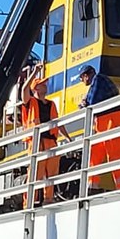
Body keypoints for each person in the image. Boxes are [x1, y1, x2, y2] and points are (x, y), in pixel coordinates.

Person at [20, 65, 71, 207]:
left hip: (51, 141)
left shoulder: (51, 104)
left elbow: (57, 122)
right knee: (35, 172)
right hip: (36, 142)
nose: (46, 86)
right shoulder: (29, 102)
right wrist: (35, 72)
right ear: (36, 88)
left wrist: (68, 138)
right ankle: (30, 201)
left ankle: (48, 199)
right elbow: (24, 89)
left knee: (52, 172)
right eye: (42, 84)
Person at [78, 66, 120, 190]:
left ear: (86, 75)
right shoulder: (98, 82)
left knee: (115, 155)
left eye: (81, 78)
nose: (82, 81)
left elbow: (93, 101)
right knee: (94, 153)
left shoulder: (98, 79)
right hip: (104, 122)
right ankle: (91, 186)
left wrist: (84, 103)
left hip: (112, 120)